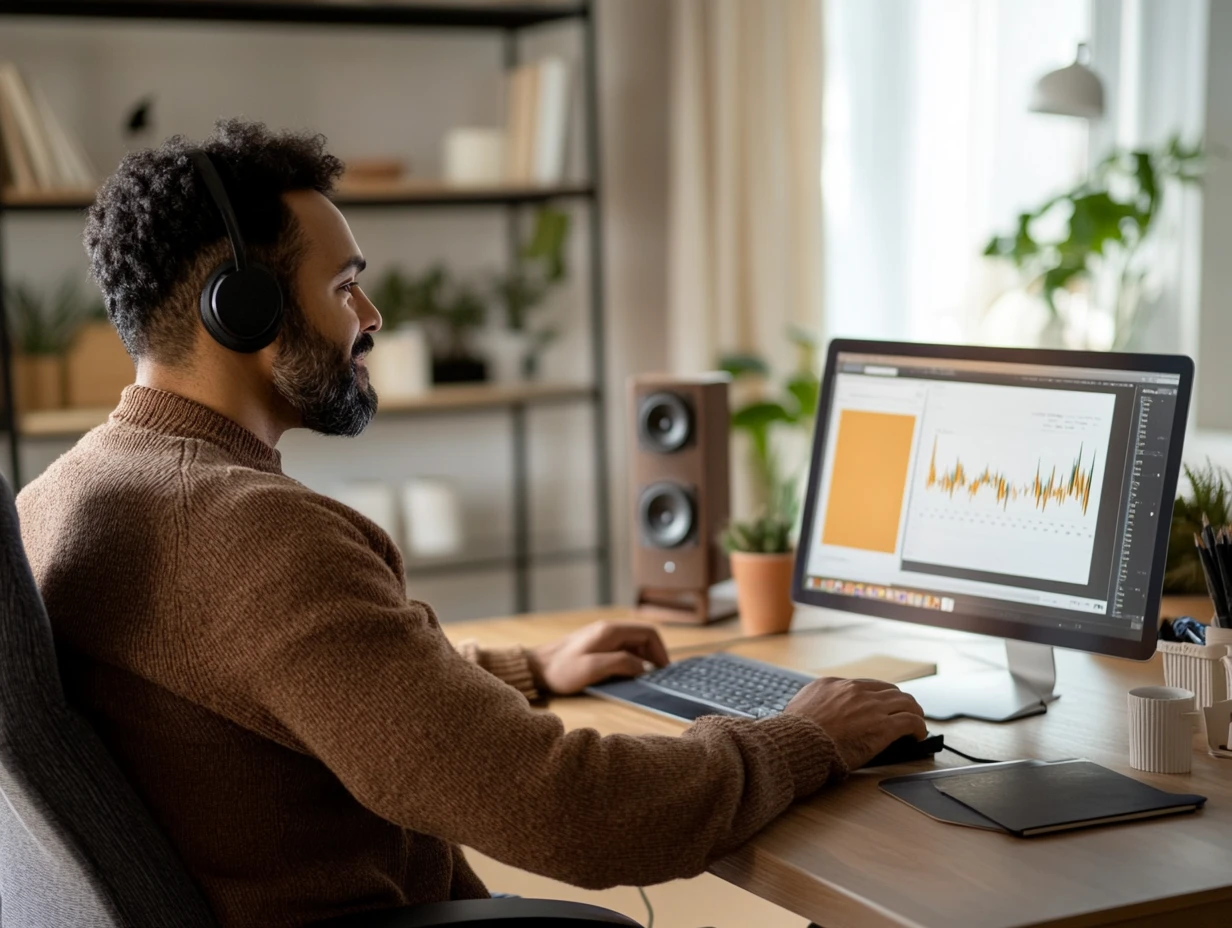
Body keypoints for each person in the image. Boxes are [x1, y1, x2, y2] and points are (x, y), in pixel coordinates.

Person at [16, 119, 927, 928]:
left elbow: (264, 684)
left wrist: (526, 670)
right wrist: (805, 735)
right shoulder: (252, 534)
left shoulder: (64, 494)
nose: (369, 319)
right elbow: (579, 816)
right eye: (343, 287)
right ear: (239, 307)